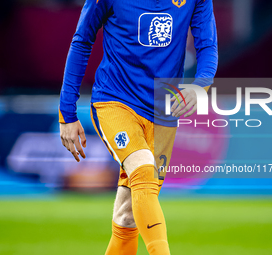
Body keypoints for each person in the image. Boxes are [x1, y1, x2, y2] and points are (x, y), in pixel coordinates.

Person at [59, 0, 218, 254]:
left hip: (164, 112)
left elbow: (207, 45)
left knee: (127, 216)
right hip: (115, 101)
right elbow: (82, 40)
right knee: (143, 173)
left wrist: (201, 85)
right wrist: (67, 113)